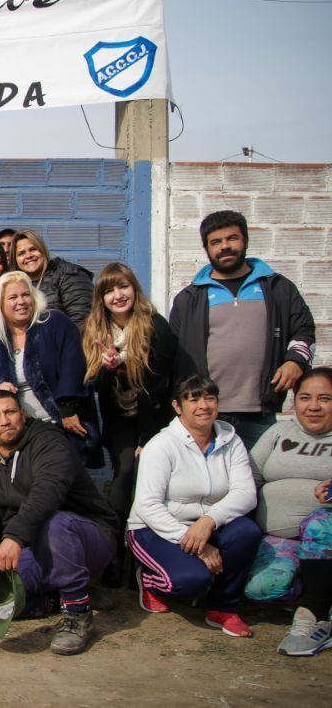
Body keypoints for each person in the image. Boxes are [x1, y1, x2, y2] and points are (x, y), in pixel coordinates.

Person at [0, 389, 118, 656]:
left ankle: (78, 615)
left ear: (23, 413)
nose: (4, 420)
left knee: (55, 521)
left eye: (10, 412)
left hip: (88, 535)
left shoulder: (49, 441)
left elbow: (48, 490)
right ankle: (68, 595)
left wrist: (15, 537)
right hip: (33, 544)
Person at [127, 375, 263, 638]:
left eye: (210, 398)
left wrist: (209, 521)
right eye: (194, 399)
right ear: (178, 406)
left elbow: (246, 492)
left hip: (206, 524)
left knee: (247, 531)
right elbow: (147, 505)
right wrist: (196, 543)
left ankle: (223, 607)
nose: (203, 406)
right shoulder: (161, 445)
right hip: (155, 528)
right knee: (191, 582)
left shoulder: (231, 440)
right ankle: (150, 581)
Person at [169, 210, 316, 451]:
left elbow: (304, 330)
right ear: (206, 248)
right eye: (216, 242)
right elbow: (172, 356)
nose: (224, 246)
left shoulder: (278, 288)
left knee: (260, 482)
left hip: (260, 413)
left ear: (245, 240)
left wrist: (296, 361)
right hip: (207, 413)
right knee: (211, 486)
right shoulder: (189, 298)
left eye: (232, 238)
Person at [81, 262, 177, 582]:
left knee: (152, 482)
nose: (117, 295)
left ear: (135, 288)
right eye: (109, 290)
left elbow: (157, 385)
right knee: (123, 475)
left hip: (155, 417)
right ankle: (112, 559)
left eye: (123, 287)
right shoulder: (97, 331)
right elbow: (92, 387)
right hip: (120, 417)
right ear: (101, 298)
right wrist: (109, 370)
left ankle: (150, 556)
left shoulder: (154, 326)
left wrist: (147, 439)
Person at [245, 367, 332, 656]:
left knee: (321, 524)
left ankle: (312, 614)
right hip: (279, 538)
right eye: (305, 397)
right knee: (261, 589)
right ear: (294, 402)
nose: (314, 406)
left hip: (324, 535)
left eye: (325, 398)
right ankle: (321, 592)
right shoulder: (278, 431)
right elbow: (248, 478)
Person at [0, 272, 91, 452]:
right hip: (16, 435)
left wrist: (67, 409)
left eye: (25, 295)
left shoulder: (55, 323)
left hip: (58, 425)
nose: (21, 302)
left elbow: (73, 367)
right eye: (13, 297)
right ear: (0, 304)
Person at [11, 229, 93, 326]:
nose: (28, 255)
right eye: (21, 253)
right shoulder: (17, 284)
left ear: (43, 250)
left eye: (33, 249)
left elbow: (82, 321)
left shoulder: (70, 274)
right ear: (15, 260)